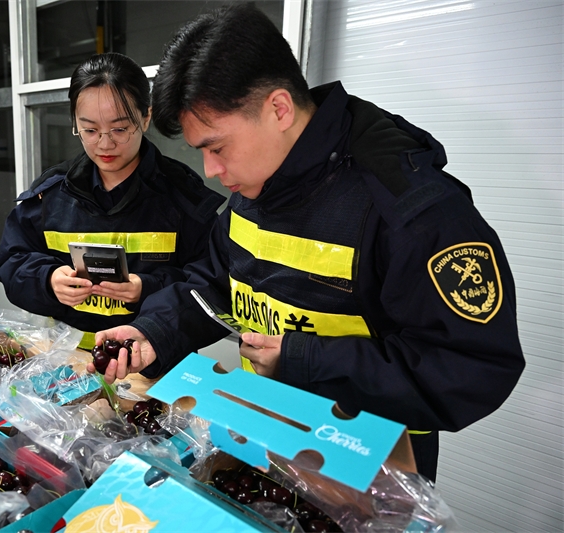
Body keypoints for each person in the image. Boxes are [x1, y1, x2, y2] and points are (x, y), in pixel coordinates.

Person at [93, 5, 525, 482]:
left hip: (368, 473)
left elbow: (473, 367)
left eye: (217, 148)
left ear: (278, 108)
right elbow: (212, 282)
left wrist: (303, 359)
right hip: (266, 442)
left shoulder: (409, 208)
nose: (211, 171)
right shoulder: (255, 185)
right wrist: (154, 331)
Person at [0, 53, 225, 351]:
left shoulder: (183, 196)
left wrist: (148, 288)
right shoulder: (50, 195)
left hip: (156, 361)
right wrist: (48, 280)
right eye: (90, 130)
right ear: (74, 123)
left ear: (145, 117)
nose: (105, 144)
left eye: (119, 129)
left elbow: (212, 284)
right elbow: (12, 262)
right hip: (68, 359)